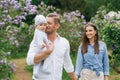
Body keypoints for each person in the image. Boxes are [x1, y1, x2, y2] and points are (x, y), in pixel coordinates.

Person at [26, 13, 77, 80]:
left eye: (49, 23)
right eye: (44, 23)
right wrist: (47, 52)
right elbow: (29, 61)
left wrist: (74, 78)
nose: (45, 25)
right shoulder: (37, 41)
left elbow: (68, 63)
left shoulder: (64, 42)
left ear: (57, 26)